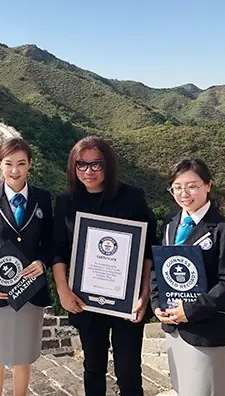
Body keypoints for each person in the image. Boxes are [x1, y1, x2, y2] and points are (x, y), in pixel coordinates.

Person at [51, 135, 156, 396]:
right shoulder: (66, 202)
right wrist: (63, 290)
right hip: (86, 301)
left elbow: (148, 249)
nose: (88, 171)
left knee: (129, 372)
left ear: (108, 165)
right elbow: (57, 250)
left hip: (127, 303)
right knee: (93, 368)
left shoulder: (132, 198)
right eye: (81, 165)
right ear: (73, 167)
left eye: (96, 164)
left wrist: (144, 295)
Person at [151, 158, 225, 396]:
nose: (184, 193)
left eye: (192, 186)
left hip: (207, 333)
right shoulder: (171, 224)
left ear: (208, 185)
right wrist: (156, 304)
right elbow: (160, 270)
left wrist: (190, 310)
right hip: (174, 330)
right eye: (177, 187)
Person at [0, 137, 53, 396]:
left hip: (29, 288)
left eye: (21, 164)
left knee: (23, 356)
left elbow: (50, 241)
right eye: (9, 164)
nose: (15, 170)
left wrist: (42, 262)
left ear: (30, 165)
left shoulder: (42, 198)